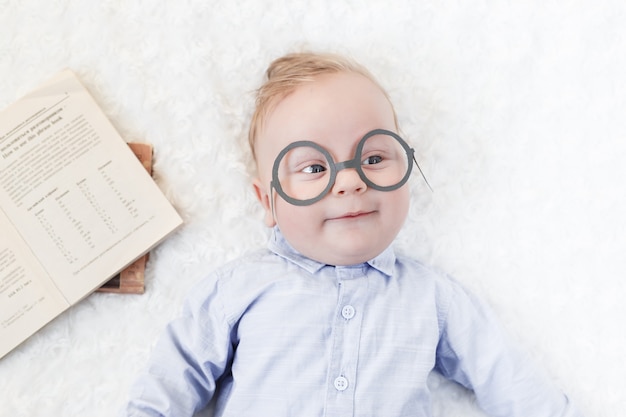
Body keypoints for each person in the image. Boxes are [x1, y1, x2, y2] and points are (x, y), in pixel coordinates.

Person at [121, 52, 583, 416]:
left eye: (374, 158)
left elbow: (507, 376)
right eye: (315, 166)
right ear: (269, 203)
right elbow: (173, 376)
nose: (350, 180)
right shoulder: (239, 288)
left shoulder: (432, 298)